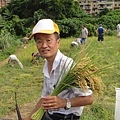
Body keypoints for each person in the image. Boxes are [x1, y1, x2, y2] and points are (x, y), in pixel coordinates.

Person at [23, 19, 93, 120]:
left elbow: (89, 99)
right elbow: (44, 98)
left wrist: (64, 102)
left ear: (58, 42)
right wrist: (29, 117)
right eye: (39, 41)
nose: (43, 45)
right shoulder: (47, 64)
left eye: (48, 40)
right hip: (50, 115)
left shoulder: (68, 66)